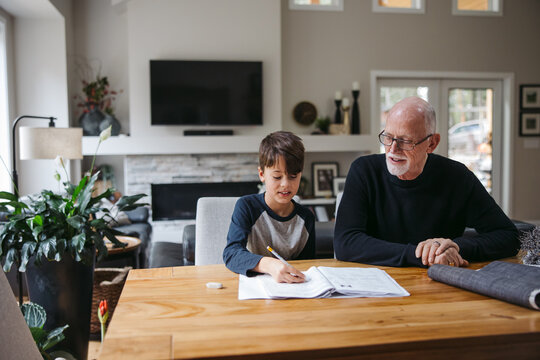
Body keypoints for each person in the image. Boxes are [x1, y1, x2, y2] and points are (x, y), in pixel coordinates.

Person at [334, 97, 519, 267]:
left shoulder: (457, 177)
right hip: (375, 285)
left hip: (438, 284)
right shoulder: (364, 171)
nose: (393, 149)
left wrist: (454, 247)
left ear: (432, 143)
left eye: (405, 141)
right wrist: (421, 255)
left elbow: (508, 236)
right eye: (388, 137)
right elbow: (346, 242)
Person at [223, 131, 316, 282]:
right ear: (262, 174)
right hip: (256, 288)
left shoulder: (306, 218)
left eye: (293, 176)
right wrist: (269, 264)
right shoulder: (247, 206)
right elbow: (231, 253)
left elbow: (307, 265)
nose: (285, 184)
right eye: (277, 177)